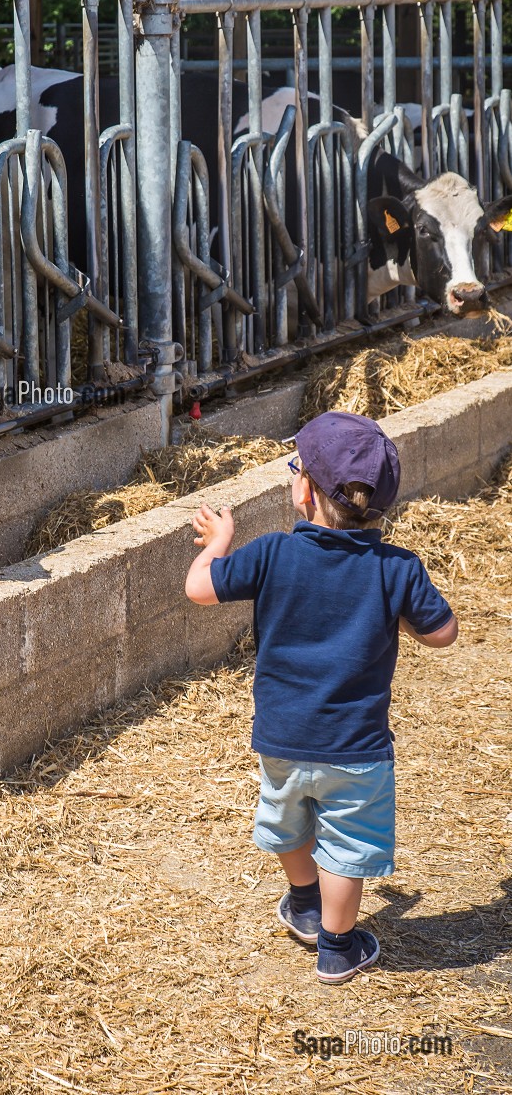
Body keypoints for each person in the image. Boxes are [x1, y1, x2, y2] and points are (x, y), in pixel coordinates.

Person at [184, 411, 458, 983]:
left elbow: (199, 590)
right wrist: (397, 615)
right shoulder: (397, 568)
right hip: (356, 745)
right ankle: (337, 947)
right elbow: (443, 633)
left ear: (304, 489)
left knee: (290, 824)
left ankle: (303, 904)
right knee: (346, 844)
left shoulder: (272, 554)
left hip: (283, 737)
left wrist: (220, 543)